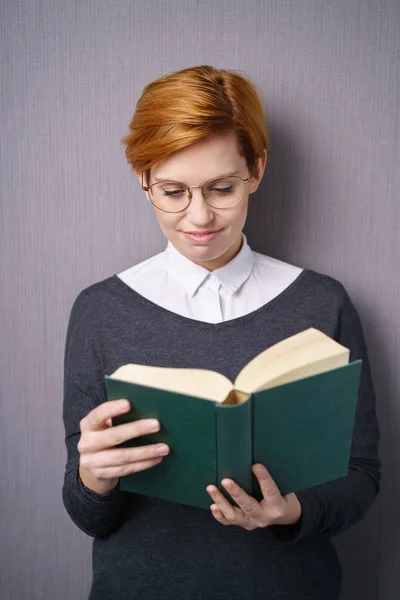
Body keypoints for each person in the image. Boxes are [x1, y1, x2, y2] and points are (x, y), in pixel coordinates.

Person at [62, 65, 380, 600]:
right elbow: (87, 514)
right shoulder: (99, 310)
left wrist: (290, 511)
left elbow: (362, 477)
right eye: (172, 191)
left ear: (256, 170)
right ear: (143, 180)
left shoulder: (323, 302)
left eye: (222, 188)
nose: (200, 216)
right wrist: (94, 476)